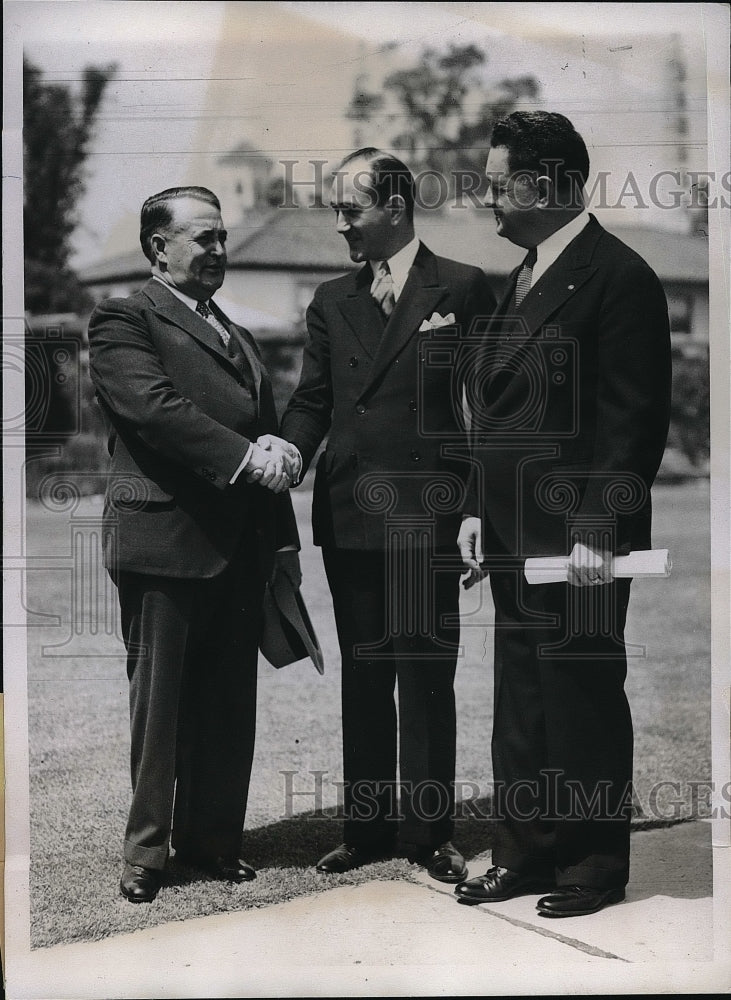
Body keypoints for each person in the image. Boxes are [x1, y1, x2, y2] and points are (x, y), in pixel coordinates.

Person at [455, 112, 672, 916]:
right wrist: (475, 507)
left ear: (549, 185)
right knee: (520, 700)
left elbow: (630, 425)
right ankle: (523, 854)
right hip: (512, 536)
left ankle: (587, 866)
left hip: (579, 543)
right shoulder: (519, 275)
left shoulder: (620, 277)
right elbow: (496, 415)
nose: (485, 199)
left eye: (497, 182)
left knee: (578, 696)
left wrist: (593, 530)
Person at [266, 148, 496, 882]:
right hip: (349, 516)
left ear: (394, 207)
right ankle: (365, 829)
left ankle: (429, 835)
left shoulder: (461, 287)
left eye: (350, 210)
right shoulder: (332, 299)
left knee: (425, 677)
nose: (339, 226)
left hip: (427, 519)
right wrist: (289, 454)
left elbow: (486, 414)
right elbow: (311, 400)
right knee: (364, 675)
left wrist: (472, 510)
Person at [88, 186, 301, 903]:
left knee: (225, 702)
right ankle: (146, 854)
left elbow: (260, 423)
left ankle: (211, 840)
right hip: (163, 544)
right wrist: (248, 456)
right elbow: (154, 409)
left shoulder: (231, 332)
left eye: (220, 238)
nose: (218, 251)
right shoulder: (122, 318)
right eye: (202, 239)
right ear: (158, 248)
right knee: (160, 708)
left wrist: (280, 542)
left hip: (237, 547)